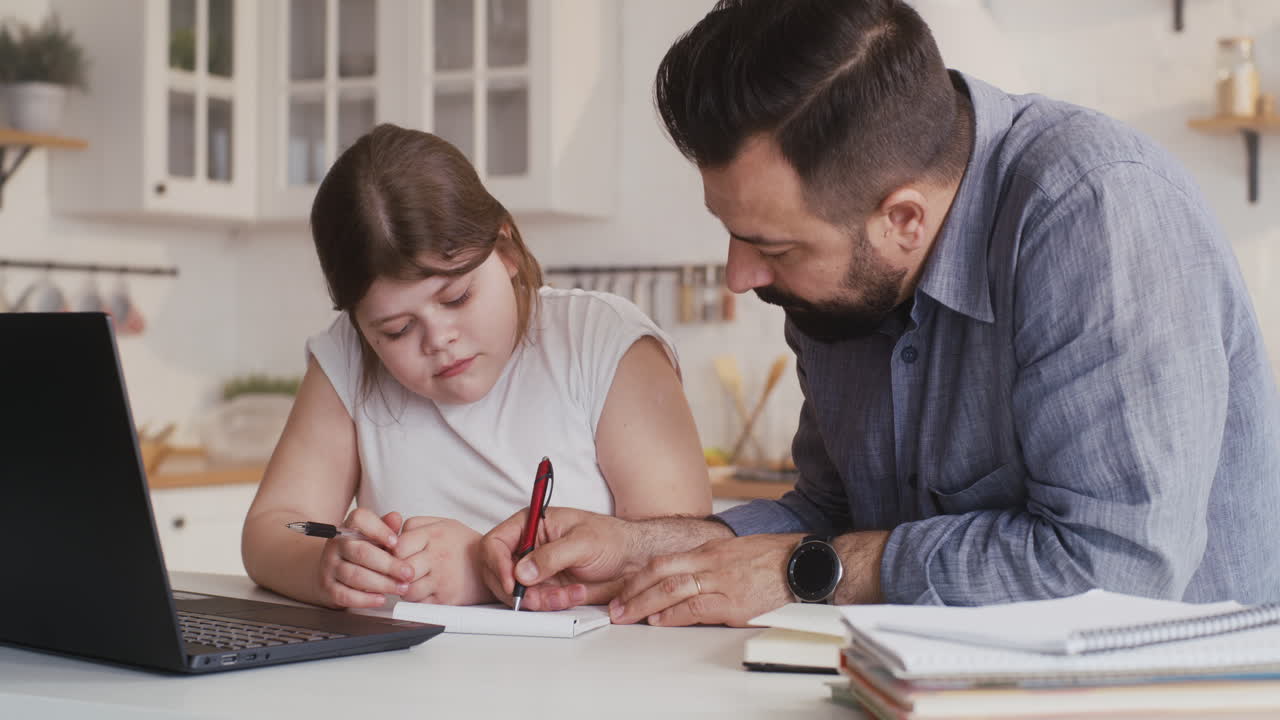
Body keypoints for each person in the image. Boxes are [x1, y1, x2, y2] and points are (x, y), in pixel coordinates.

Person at [478, 0, 1280, 623]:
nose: (738, 276)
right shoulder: (835, 285)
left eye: (773, 246)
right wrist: (645, 548)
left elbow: (1115, 567)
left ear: (902, 220)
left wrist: (812, 572)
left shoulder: (1097, 212)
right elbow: (829, 512)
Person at [242, 124, 711, 610]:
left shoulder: (603, 340)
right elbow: (272, 528)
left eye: (458, 297)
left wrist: (484, 573)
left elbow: (688, 555)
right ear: (361, 327)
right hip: (394, 679)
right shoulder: (348, 356)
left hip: (581, 677)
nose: (439, 339)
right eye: (396, 330)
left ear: (505, 250)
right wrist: (325, 567)